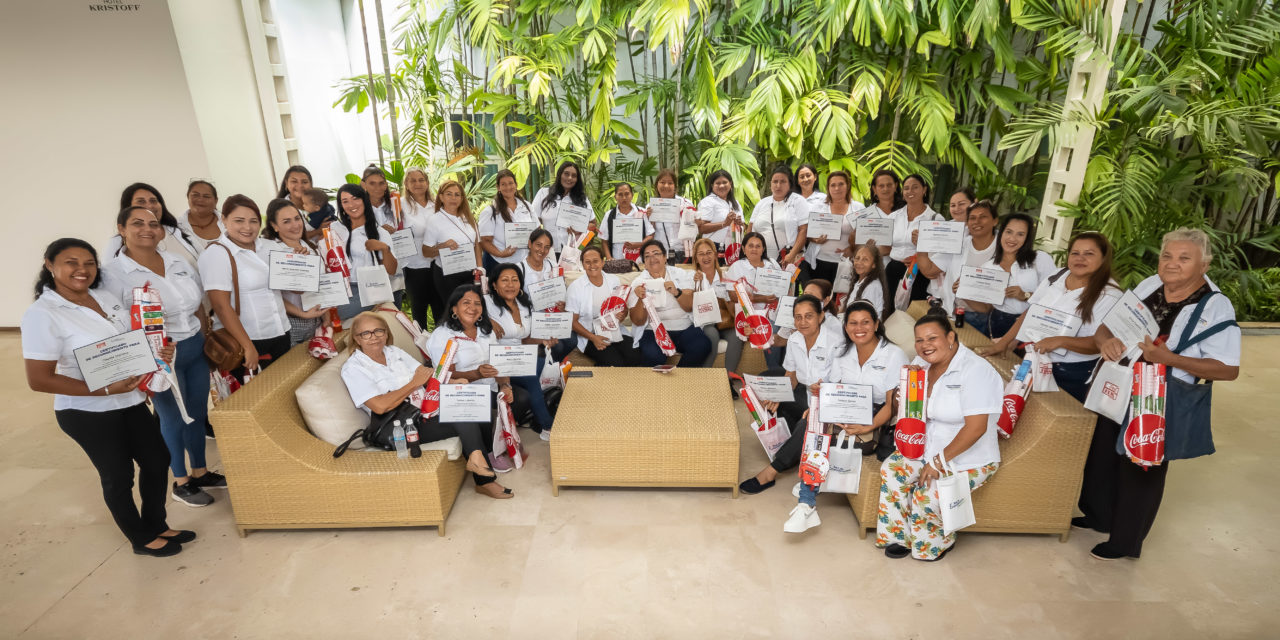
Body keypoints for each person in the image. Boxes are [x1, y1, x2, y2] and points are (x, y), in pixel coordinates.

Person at [23, 238, 192, 557]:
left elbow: (130, 342)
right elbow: (39, 379)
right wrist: (102, 389)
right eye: (71, 262)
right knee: (118, 475)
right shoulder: (42, 314)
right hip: (86, 410)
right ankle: (140, 538)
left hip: (128, 399)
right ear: (49, 264)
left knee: (157, 460)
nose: (81, 270)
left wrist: (158, 351)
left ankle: (156, 522)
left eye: (88, 263)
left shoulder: (103, 296)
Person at [1080, 228, 1240, 560]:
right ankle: (1099, 516)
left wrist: (1170, 359)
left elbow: (1227, 369)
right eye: (1167, 255)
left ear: (1204, 265)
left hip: (1159, 394)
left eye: (1184, 258)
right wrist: (1105, 340)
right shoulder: (1151, 285)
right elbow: (1108, 326)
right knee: (1103, 454)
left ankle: (1124, 541)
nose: (1172, 264)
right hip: (1121, 381)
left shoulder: (1215, 305)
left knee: (1141, 464)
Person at [101, 206, 224, 508]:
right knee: (171, 419)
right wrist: (138, 362)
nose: (147, 229)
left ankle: (200, 471)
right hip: (159, 356)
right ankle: (181, 482)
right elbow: (114, 322)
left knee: (196, 413)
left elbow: (196, 304)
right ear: (121, 229)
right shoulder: (113, 274)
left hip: (193, 346)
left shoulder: (176, 261)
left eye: (153, 224)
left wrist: (205, 335)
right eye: (137, 223)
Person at [341, 311, 511, 499]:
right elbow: (379, 406)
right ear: (357, 338)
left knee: (478, 402)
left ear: (386, 333)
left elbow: (426, 374)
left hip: (427, 408)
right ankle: (484, 480)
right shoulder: (354, 368)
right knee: (462, 415)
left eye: (379, 331)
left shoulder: (393, 352)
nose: (374, 337)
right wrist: (413, 383)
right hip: (401, 426)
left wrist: (452, 383)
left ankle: (480, 458)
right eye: (366, 333)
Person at [877, 310, 1003, 561]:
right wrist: (905, 395)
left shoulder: (976, 371)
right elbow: (916, 413)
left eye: (932, 338)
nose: (925, 346)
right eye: (920, 340)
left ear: (951, 337)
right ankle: (899, 535)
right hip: (926, 446)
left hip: (967, 456)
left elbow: (976, 428)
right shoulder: (923, 364)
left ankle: (936, 543)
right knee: (892, 470)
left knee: (928, 491)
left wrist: (938, 462)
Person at [782, 300, 907, 533]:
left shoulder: (893, 355)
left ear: (877, 324)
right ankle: (806, 505)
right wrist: (820, 398)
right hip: (845, 410)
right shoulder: (842, 354)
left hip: (877, 418)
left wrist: (866, 426)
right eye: (853, 323)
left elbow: (892, 405)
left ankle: (807, 495)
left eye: (865, 322)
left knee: (820, 434)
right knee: (815, 423)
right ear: (846, 327)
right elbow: (834, 388)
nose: (859, 328)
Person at [981, 232, 1122, 402]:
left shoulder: (1110, 294)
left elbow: (1100, 343)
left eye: (1089, 254)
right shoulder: (1058, 276)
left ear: (1103, 258)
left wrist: (1060, 341)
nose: (1080, 258)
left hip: (1071, 374)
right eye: (1075, 253)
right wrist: (1004, 342)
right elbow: (1031, 312)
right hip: (1035, 361)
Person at [738, 295, 841, 495]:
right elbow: (790, 377)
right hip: (805, 393)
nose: (803, 322)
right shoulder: (794, 339)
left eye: (809, 316)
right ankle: (792, 447)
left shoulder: (835, 344)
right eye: (798, 317)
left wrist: (816, 407)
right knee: (771, 398)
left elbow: (838, 386)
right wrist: (777, 396)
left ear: (821, 317)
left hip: (829, 402)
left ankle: (772, 471)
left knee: (808, 423)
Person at [425, 285, 522, 479]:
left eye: (477, 303)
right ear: (454, 308)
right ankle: (488, 452)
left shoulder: (485, 330)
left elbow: (499, 363)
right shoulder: (443, 336)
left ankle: (500, 436)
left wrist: (505, 385)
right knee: (484, 404)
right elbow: (445, 376)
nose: (473, 307)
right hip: (460, 392)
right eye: (466, 303)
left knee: (521, 399)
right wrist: (476, 374)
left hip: (490, 386)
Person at [197, 194, 291, 382]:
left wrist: (300, 264)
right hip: (248, 340)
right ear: (223, 220)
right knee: (257, 402)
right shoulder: (217, 254)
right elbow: (222, 306)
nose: (247, 228)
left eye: (253, 221)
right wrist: (247, 346)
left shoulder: (269, 246)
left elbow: (289, 289)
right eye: (239, 221)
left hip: (281, 331)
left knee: (284, 396)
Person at [486, 262, 558, 440]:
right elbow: (464, 307)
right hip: (496, 360)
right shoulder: (485, 303)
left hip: (519, 357)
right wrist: (485, 320)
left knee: (539, 363)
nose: (510, 285)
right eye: (504, 280)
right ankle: (547, 426)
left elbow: (524, 339)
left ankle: (535, 414)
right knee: (532, 376)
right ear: (494, 284)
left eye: (514, 280)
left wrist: (542, 340)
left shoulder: (524, 304)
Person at [959, 213, 1057, 339]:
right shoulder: (988, 267)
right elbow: (986, 308)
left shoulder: (1039, 259)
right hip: (997, 324)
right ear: (1001, 233)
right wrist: (964, 292)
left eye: (1020, 234)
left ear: (1027, 238)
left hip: (1030, 324)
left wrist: (1026, 295)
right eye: (1009, 232)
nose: (1012, 238)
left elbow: (1054, 298)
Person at [628, 240, 712, 367]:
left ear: (665, 257)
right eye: (647, 256)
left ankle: (680, 379)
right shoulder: (638, 282)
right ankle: (657, 385)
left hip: (683, 327)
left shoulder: (680, 274)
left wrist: (676, 292)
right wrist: (641, 299)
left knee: (702, 345)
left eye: (656, 253)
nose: (652, 258)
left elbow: (689, 306)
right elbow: (637, 321)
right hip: (653, 331)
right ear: (644, 263)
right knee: (653, 355)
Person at [922, 199, 999, 335]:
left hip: (984, 320)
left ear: (995, 221)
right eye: (972, 218)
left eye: (983, 217)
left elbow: (992, 303)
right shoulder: (959, 244)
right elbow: (929, 270)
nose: (977, 222)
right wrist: (921, 245)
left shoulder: (1003, 250)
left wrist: (965, 291)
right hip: (953, 313)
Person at [261, 198, 330, 345]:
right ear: (274, 226)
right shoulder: (272, 252)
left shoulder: (310, 246)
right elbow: (275, 296)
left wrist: (326, 317)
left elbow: (320, 286)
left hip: (316, 319)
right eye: (286, 221)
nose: (295, 225)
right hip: (293, 323)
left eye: (297, 218)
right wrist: (298, 265)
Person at [330, 183, 398, 321]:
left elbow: (392, 270)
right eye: (345, 201)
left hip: (365, 289)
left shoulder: (379, 232)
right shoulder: (335, 228)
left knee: (340, 315)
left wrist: (384, 249)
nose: (351, 204)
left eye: (355, 198)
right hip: (338, 288)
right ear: (341, 206)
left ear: (364, 200)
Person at [566, 246, 640, 366]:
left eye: (595, 261)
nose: (592, 265)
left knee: (635, 355)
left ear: (602, 262)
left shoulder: (614, 280)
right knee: (615, 362)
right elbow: (572, 322)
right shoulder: (575, 287)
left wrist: (622, 315)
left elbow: (623, 307)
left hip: (615, 331)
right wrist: (593, 338)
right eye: (587, 262)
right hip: (590, 334)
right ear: (583, 265)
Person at [725, 232, 786, 372]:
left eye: (758, 246)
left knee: (789, 328)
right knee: (772, 329)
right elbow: (732, 295)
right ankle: (775, 371)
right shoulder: (737, 266)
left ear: (763, 248)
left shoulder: (772, 264)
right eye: (750, 246)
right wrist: (761, 298)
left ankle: (787, 371)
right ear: (744, 248)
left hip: (775, 310)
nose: (754, 249)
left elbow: (783, 287)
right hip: (750, 314)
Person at [422, 180, 481, 321]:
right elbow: (426, 251)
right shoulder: (434, 220)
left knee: (471, 312)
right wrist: (441, 246)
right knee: (454, 313)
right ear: (441, 197)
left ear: (462, 198)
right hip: (447, 276)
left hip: (470, 273)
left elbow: (477, 244)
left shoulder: (468, 217)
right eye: (449, 194)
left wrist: (480, 268)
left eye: (457, 195)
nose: (453, 198)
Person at [109, 183, 200, 270]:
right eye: (141, 201)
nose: (149, 206)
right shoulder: (116, 243)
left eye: (153, 201)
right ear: (128, 208)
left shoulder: (180, 231)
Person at [885, 174, 942, 300]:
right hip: (893, 271)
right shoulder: (893, 217)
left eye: (915, 187)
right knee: (892, 313)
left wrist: (918, 255)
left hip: (919, 273)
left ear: (924, 189)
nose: (910, 191)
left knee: (914, 313)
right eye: (906, 188)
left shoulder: (935, 219)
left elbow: (940, 253)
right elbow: (885, 247)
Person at [804, 170, 863, 283]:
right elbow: (806, 231)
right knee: (819, 297)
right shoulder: (817, 207)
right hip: (819, 261)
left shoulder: (858, 208)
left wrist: (852, 249)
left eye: (841, 184)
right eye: (833, 185)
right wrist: (814, 239)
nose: (837, 188)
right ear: (828, 188)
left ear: (848, 185)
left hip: (846, 262)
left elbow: (865, 235)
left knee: (842, 298)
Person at [746, 165, 810, 267]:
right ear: (770, 184)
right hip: (761, 260)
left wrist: (792, 255)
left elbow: (803, 230)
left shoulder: (798, 201)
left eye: (783, 181)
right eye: (775, 181)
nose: (778, 185)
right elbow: (750, 229)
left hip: (787, 260)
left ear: (790, 184)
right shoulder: (762, 203)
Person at [479, 169, 539, 273]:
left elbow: (537, 230)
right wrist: (501, 254)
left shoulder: (527, 206)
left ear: (516, 185)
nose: (508, 187)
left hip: (523, 261)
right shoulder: (490, 211)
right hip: (498, 263)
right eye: (503, 184)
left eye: (511, 183)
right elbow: (484, 241)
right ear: (498, 187)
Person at [399, 167, 437, 328]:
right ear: (406, 184)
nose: (417, 184)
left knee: (440, 308)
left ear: (427, 183)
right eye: (412, 180)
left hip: (438, 264)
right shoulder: (399, 205)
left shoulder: (436, 204)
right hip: (414, 266)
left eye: (421, 180)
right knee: (419, 313)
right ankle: (421, 350)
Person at [532, 161, 594, 252]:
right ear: (560, 175)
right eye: (566, 174)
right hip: (548, 251)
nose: (570, 178)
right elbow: (534, 220)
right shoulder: (543, 193)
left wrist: (580, 229)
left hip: (573, 251)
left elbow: (593, 224)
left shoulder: (582, 199)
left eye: (574, 176)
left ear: (577, 179)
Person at [690, 238, 730, 369]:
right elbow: (690, 305)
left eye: (709, 252)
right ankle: (706, 376)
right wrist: (697, 285)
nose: (705, 257)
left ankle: (728, 380)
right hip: (705, 322)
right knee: (711, 333)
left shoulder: (726, 276)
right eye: (701, 254)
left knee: (736, 336)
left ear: (715, 254)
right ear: (695, 258)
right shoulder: (689, 277)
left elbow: (732, 301)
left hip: (724, 320)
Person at [855, 169, 905, 264]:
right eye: (881, 186)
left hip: (903, 266)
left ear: (896, 186)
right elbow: (858, 246)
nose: (885, 189)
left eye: (889, 185)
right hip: (874, 268)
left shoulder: (907, 211)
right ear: (874, 189)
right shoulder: (866, 214)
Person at [647, 169, 695, 263]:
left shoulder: (686, 204)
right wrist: (650, 220)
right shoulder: (650, 207)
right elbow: (649, 234)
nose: (666, 186)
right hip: (660, 254)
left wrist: (684, 215)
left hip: (682, 252)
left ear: (675, 186)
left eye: (670, 183)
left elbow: (693, 229)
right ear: (657, 185)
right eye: (662, 182)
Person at [599, 182, 654, 261]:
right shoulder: (609, 215)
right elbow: (604, 241)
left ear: (632, 195)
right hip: (617, 261)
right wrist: (609, 258)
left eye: (627, 194)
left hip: (638, 261)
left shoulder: (641, 212)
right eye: (620, 195)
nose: (624, 198)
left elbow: (650, 236)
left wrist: (638, 244)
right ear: (615, 197)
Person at [696, 170, 745, 256]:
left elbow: (743, 226)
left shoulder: (736, 203)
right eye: (717, 183)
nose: (721, 186)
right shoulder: (707, 202)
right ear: (712, 186)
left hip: (734, 249)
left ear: (730, 184)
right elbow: (701, 228)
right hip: (713, 248)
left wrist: (739, 224)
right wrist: (725, 223)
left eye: (725, 182)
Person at [178, 179, 224, 253]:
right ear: (188, 197)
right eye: (195, 195)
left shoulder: (228, 222)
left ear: (216, 201)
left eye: (206, 196)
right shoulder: (177, 227)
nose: (200, 199)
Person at [849, 243, 890, 321]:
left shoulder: (872, 287)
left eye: (865, 259)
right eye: (857, 258)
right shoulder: (859, 281)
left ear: (874, 264)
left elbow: (864, 318)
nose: (859, 262)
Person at [518, 228, 559, 300]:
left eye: (547, 247)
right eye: (538, 245)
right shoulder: (519, 270)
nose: (542, 250)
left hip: (551, 310)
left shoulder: (553, 266)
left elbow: (559, 293)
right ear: (530, 244)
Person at [361, 166, 396, 232]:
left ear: (386, 185)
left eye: (381, 183)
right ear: (363, 185)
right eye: (372, 183)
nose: (377, 187)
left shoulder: (394, 204)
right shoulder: (358, 209)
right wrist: (379, 231)